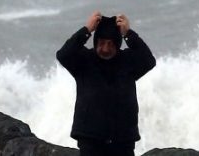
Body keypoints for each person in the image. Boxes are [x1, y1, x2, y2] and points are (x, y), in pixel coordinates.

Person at [56, 11, 156, 156]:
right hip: (90, 139)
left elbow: (148, 60)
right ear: (96, 41)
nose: (105, 49)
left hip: (123, 140)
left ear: (118, 43)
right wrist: (86, 30)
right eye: (101, 43)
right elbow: (63, 55)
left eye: (110, 44)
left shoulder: (128, 61)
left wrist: (128, 33)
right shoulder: (83, 60)